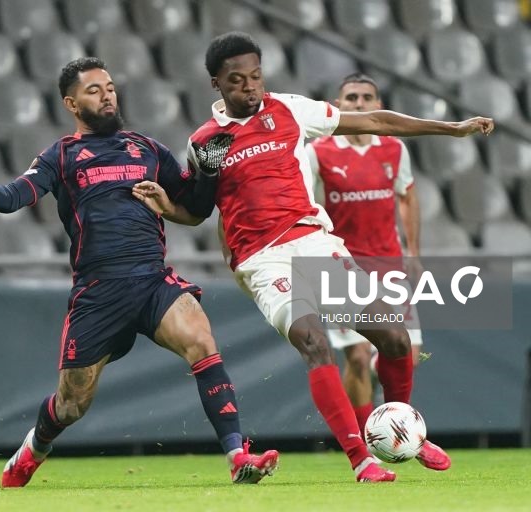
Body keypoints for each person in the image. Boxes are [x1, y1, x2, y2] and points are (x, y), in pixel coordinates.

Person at [132, 32, 494, 483]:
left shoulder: (288, 109)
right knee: (314, 342)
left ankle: (406, 431)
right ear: (216, 85)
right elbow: (200, 210)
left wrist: (450, 128)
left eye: (256, 77)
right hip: (263, 259)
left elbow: (373, 122)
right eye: (237, 81)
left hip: (316, 244)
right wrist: (169, 208)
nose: (250, 88)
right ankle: (362, 460)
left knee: (397, 340)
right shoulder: (207, 142)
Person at [0, 57, 278, 488]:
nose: (108, 94)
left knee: (201, 340)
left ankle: (237, 455)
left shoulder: (147, 149)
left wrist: (205, 173)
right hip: (99, 292)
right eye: (95, 90)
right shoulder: (61, 155)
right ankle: (33, 449)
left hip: (152, 279)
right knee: (73, 403)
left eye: (110, 86)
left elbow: (195, 211)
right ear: (72, 104)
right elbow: (12, 198)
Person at [305, 73, 425, 434]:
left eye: (367, 98)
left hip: (390, 264)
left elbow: (407, 195)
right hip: (344, 266)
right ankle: (368, 437)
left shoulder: (393, 148)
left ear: (378, 105)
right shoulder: (318, 152)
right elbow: (306, 205)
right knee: (357, 356)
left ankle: (389, 423)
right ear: (338, 106)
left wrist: (413, 251)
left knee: (406, 354)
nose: (359, 104)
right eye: (352, 97)